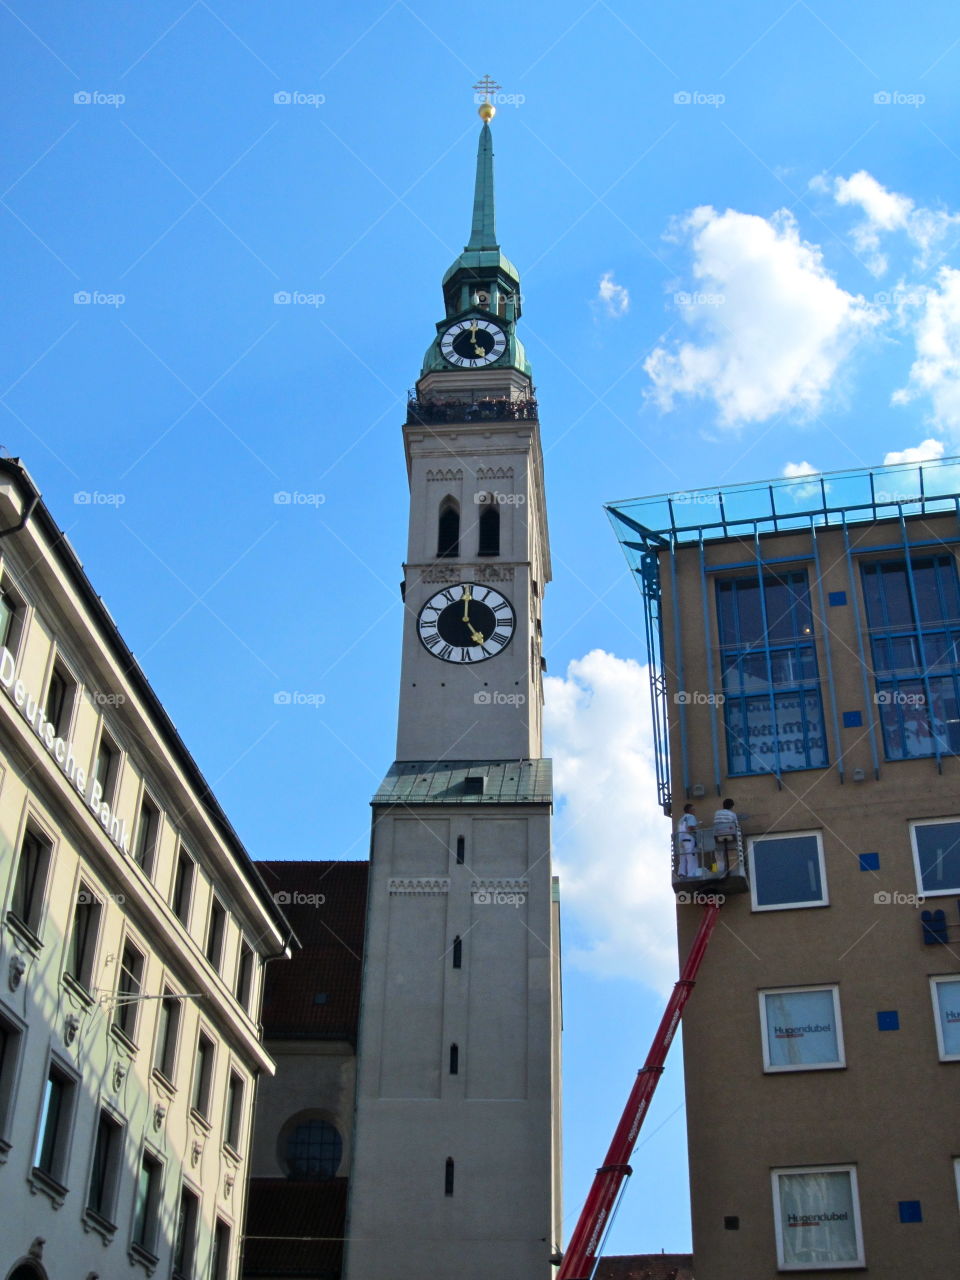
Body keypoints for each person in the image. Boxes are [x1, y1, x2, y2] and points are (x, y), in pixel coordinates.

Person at [712, 798, 740, 876]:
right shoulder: (733, 814)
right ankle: (732, 870)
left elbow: (715, 823)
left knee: (719, 856)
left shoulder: (717, 813)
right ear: (732, 806)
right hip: (730, 836)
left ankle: (720, 872)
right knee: (732, 853)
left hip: (718, 836)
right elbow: (736, 826)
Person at [677, 803, 699, 878]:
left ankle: (682, 874)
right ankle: (691, 875)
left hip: (680, 841)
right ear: (690, 810)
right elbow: (690, 828)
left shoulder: (681, 819)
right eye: (693, 809)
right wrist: (697, 829)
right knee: (691, 857)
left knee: (683, 858)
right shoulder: (691, 816)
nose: (694, 811)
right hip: (688, 839)